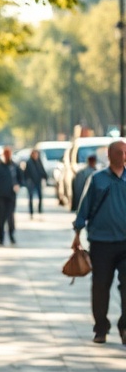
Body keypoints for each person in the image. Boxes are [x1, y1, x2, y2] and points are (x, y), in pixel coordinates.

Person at [72, 139, 126, 345]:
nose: (124, 156)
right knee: (101, 287)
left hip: (125, 243)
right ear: (110, 156)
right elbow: (83, 208)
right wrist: (77, 233)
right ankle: (101, 328)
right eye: (120, 152)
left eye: (125, 152)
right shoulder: (97, 180)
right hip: (101, 243)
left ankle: (125, 327)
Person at [0, 146, 23, 245]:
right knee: (1, 217)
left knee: (10, 217)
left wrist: (18, 185)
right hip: (0, 196)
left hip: (11, 195)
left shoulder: (14, 166)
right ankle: (1, 238)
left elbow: (20, 178)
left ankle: (11, 235)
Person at [23, 149, 48, 218]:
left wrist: (45, 176)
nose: (36, 155)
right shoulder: (29, 162)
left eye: (37, 154)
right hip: (31, 182)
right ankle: (31, 213)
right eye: (34, 154)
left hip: (38, 181)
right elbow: (26, 173)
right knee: (31, 198)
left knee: (40, 197)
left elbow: (42, 170)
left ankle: (39, 210)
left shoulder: (39, 161)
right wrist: (26, 181)